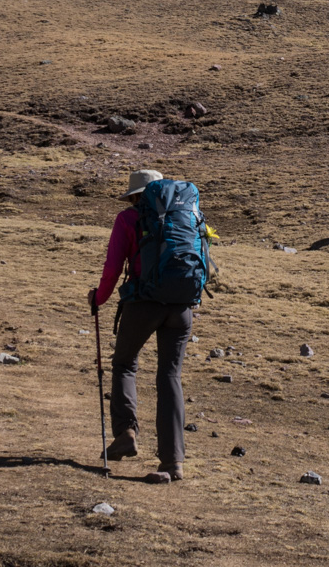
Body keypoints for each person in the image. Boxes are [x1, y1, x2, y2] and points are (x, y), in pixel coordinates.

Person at [91, 168, 210, 480]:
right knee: (170, 376)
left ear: (134, 195)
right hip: (182, 305)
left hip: (144, 302)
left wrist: (99, 298)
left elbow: (114, 266)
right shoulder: (186, 213)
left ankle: (126, 433)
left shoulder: (128, 219)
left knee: (125, 363)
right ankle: (173, 461)